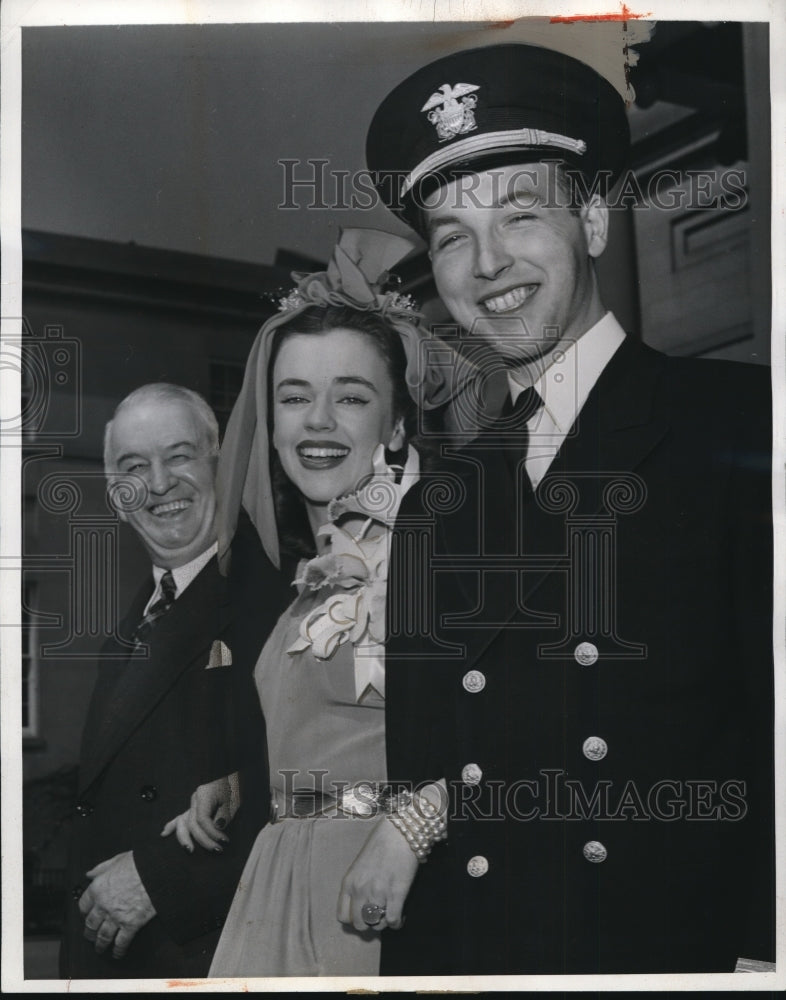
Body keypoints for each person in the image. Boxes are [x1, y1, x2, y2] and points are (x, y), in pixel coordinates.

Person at [364, 42, 775, 974]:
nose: (488, 263)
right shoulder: (441, 506)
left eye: (520, 214)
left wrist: (766, 955)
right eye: (452, 236)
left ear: (591, 220)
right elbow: (426, 780)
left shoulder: (741, 427)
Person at [161, 229, 470, 977]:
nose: (318, 421)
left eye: (352, 396)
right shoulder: (308, 580)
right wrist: (242, 780)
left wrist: (410, 831)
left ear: (397, 423)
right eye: (294, 398)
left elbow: (507, 738)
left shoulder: (446, 560)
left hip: (381, 897)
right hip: (278, 885)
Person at [60, 383, 286, 979]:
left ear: (222, 462)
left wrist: (162, 879)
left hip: (210, 955)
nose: (159, 483)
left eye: (180, 455)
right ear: (116, 495)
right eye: (135, 466)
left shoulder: (279, 597)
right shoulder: (131, 625)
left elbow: (315, 787)